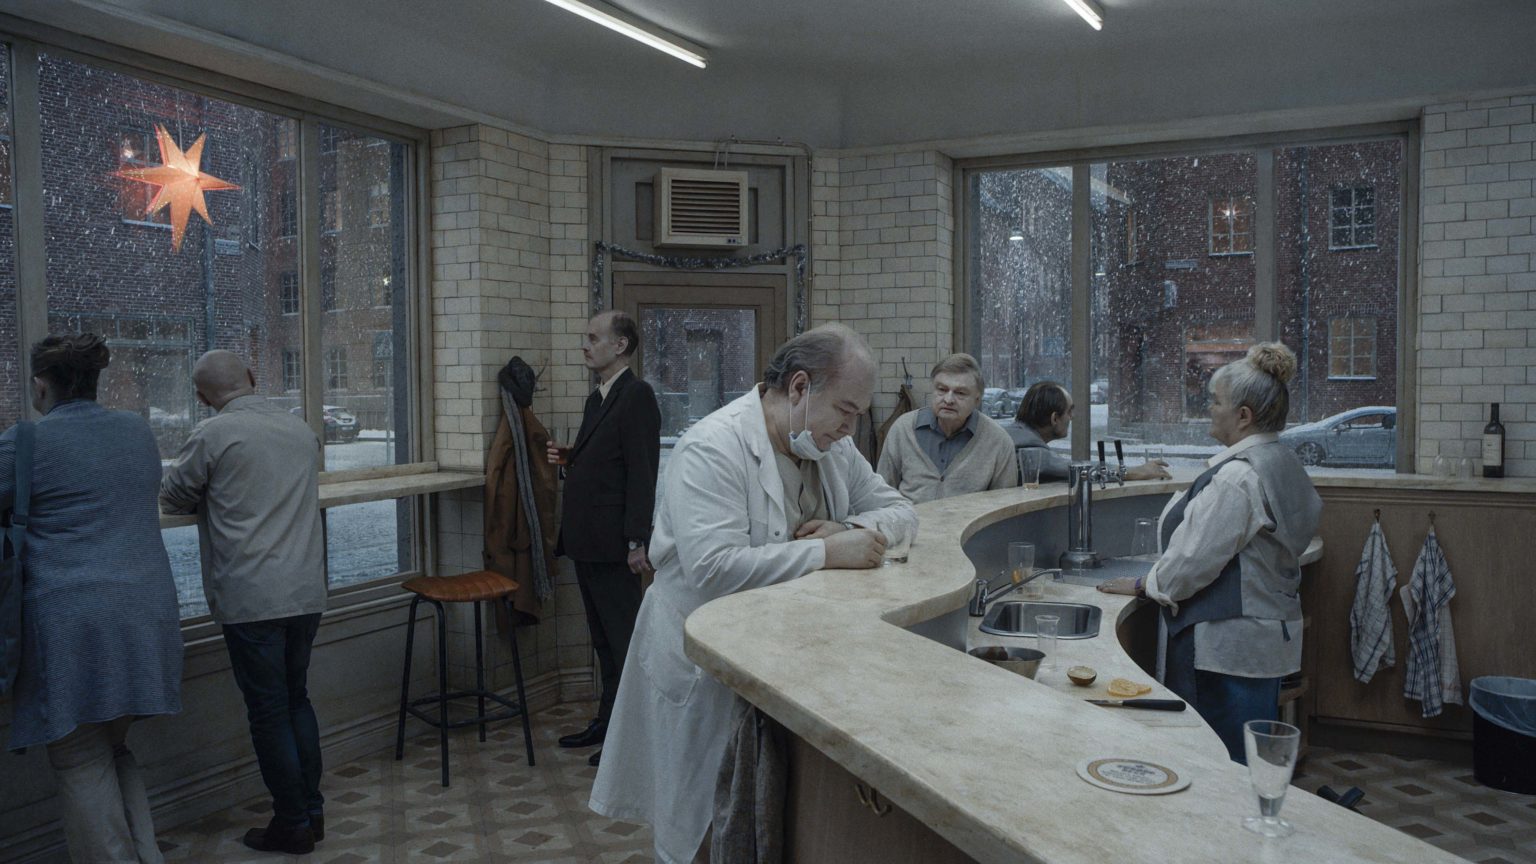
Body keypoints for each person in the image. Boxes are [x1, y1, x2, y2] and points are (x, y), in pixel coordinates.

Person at [589, 323, 917, 864]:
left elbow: (903, 512)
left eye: (858, 413)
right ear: (800, 387)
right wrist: (825, 553)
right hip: (702, 663)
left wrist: (850, 527)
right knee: (698, 826)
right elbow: (713, 569)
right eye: (846, 410)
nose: (851, 428)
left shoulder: (831, 448)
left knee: (752, 821)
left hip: (779, 660)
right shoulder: (711, 448)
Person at [1, 334, 182, 863]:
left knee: (79, 756)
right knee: (112, 745)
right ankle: (146, 856)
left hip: (72, 622)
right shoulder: (136, 431)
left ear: (40, 385)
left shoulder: (26, 443)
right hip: (145, 612)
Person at [1098, 343, 1322, 763]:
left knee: (1219, 761)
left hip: (1226, 646)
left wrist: (1144, 584)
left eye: (1216, 402)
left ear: (1243, 416)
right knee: (1246, 756)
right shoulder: (1280, 460)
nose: (1209, 410)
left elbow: (1191, 564)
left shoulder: (1238, 477)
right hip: (1264, 638)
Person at [160, 351, 327, 854]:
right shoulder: (300, 430)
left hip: (252, 595)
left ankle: (292, 823)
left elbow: (173, 495)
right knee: (297, 699)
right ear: (253, 377)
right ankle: (312, 812)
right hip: (305, 589)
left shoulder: (213, 435)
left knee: (269, 712)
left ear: (201, 397)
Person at [547, 311, 661, 768]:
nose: (586, 345)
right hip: (588, 541)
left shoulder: (637, 396)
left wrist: (637, 540)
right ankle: (609, 723)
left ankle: (633, 738)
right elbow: (607, 459)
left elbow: (641, 471)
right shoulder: (598, 398)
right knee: (603, 644)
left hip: (615, 545)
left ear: (621, 345)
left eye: (594, 338)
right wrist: (573, 458)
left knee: (624, 644)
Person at [876, 352, 1018, 502]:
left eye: (960, 393)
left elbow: (1005, 505)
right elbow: (881, 494)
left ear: (977, 400)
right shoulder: (903, 429)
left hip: (969, 518)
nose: (948, 400)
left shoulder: (998, 441)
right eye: (942, 390)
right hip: (910, 517)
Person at [1010, 381, 1168, 482]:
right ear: (1054, 419)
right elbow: (1077, 469)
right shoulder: (1029, 452)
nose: (1072, 417)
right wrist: (1135, 472)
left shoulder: (1014, 436)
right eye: (1069, 411)